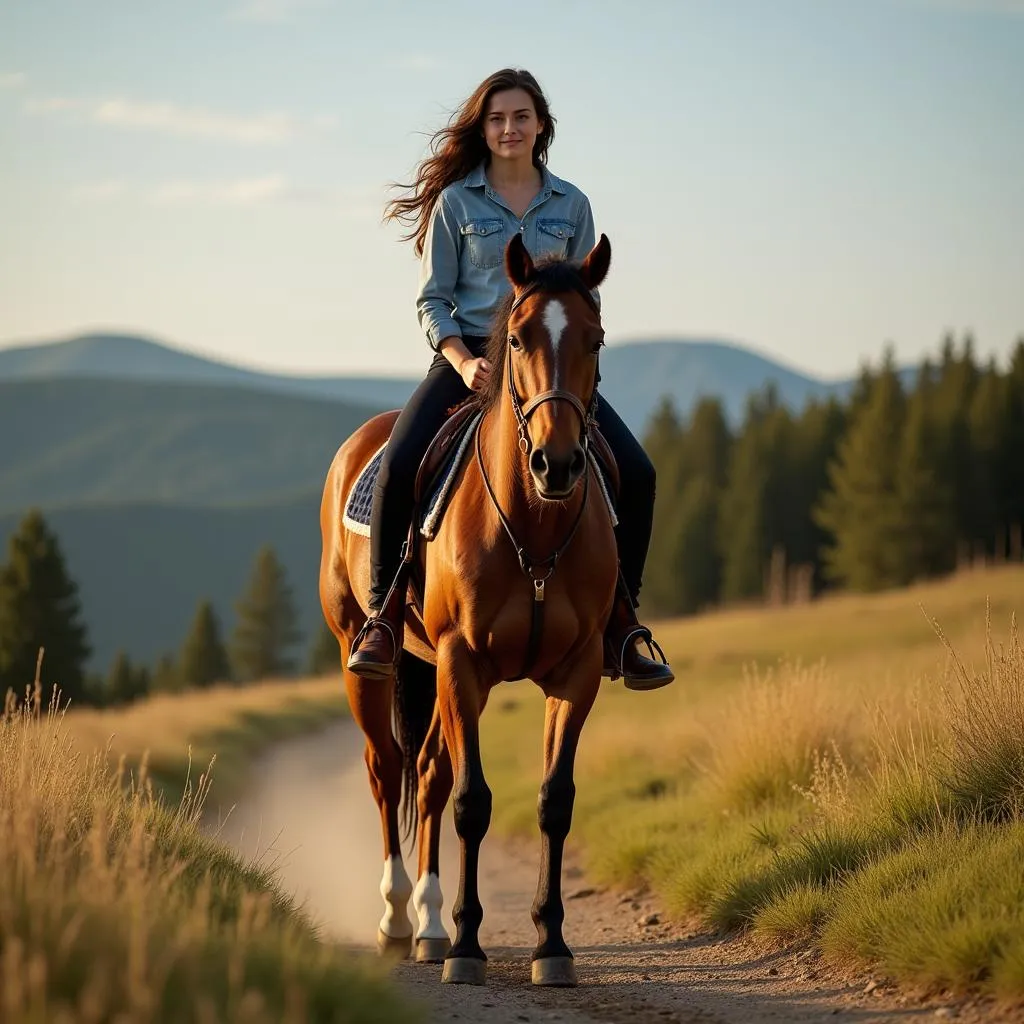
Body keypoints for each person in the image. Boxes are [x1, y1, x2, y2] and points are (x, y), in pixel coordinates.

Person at [347, 67, 674, 692]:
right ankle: (384, 615)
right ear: (484, 126)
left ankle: (623, 625)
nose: (508, 128)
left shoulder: (572, 205)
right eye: (497, 118)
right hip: (469, 360)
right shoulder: (457, 204)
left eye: (521, 117)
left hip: (549, 369)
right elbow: (432, 300)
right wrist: (465, 361)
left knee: (638, 473)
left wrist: (570, 365)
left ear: (541, 126)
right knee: (398, 462)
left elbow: (582, 303)